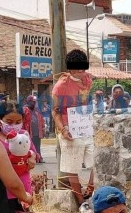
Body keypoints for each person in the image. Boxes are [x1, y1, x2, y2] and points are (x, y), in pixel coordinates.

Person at [52, 49, 94, 207]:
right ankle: (82, 203)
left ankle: (90, 191)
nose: (82, 71)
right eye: (78, 68)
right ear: (70, 68)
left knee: (97, 159)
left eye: (84, 68)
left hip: (85, 125)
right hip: (68, 128)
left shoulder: (88, 80)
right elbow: (55, 111)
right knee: (73, 167)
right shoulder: (61, 86)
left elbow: (86, 102)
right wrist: (63, 130)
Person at [0, 101, 39, 212]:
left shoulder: (24, 136)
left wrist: (32, 158)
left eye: (18, 122)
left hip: (23, 190)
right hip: (3, 190)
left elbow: (35, 154)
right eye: (9, 122)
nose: (14, 126)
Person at [22, 95, 46, 163]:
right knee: (29, 147)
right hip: (29, 132)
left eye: (35, 102)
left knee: (37, 146)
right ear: (29, 101)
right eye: (33, 102)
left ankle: (39, 158)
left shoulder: (37, 110)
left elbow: (41, 120)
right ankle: (31, 159)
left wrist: (43, 128)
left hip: (37, 132)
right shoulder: (24, 110)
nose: (34, 103)